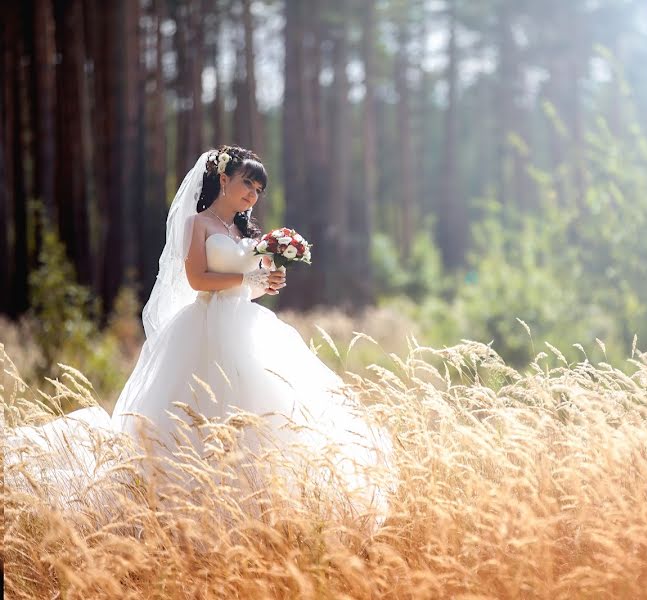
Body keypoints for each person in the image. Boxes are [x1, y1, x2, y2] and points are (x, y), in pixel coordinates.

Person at [7, 146, 394, 527]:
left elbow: (246, 288)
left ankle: (258, 506)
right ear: (224, 179)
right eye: (247, 184)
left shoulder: (244, 230)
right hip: (205, 327)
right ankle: (187, 505)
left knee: (265, 406)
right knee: (198, 412)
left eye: (258, 190)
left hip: (244, 323)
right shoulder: (199, 224)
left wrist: (267, 282)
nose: (251, 195)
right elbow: (197, 280)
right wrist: (248, 277)